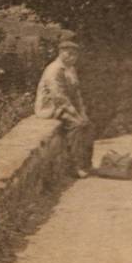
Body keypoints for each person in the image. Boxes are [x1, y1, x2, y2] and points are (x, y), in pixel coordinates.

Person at [35, 39, 93, 177]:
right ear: (61, 53)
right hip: (51, 107)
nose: (72, 57)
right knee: (76, 125)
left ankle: (86, 164)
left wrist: (83, 113)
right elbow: (59, 97)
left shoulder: (70, 69)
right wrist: (76, 115)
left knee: (89, 125)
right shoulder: (54, 70)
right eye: (69, 53)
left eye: (75, 54)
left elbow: (77, 94)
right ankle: (74, 166)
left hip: (66, 105)